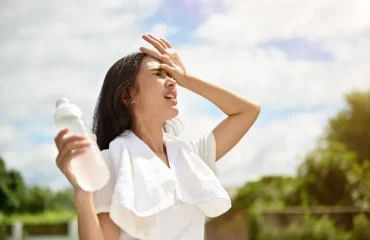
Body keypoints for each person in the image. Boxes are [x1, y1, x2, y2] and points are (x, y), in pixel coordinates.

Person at [54, 34, 261, 240]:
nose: (172, 81)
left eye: (170, 74)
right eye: (159, 74)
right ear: (128, 95)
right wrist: (83, 194)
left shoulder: (190, 157)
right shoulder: (112, 162)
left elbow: (247, 111)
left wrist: (187, 79)